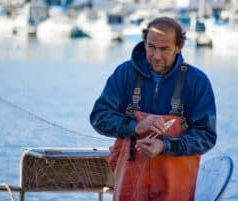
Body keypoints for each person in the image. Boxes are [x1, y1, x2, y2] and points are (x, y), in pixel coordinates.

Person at [90, 17, 217, 201]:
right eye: (151, 47)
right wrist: (135, 127)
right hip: (130, 185)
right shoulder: (125, 73)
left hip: (175, 188)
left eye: (164, 49)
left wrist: (165, 146)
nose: (156, 56)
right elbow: (99, 117)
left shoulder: (197, 81)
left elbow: (206, 136)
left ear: (179, 47)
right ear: (144, 43)